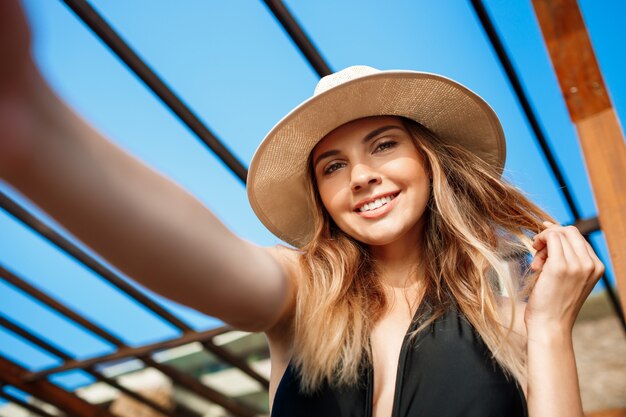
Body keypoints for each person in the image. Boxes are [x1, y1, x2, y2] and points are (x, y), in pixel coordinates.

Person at [0, 2, 604, 416]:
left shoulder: (507, 306)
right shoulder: (304, 295)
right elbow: (203, 258)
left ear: (429, 160)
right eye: (333, 166)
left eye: (383, 145)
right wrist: (34, 129)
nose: (361, 176)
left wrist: (550, 328)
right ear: (323, 197)